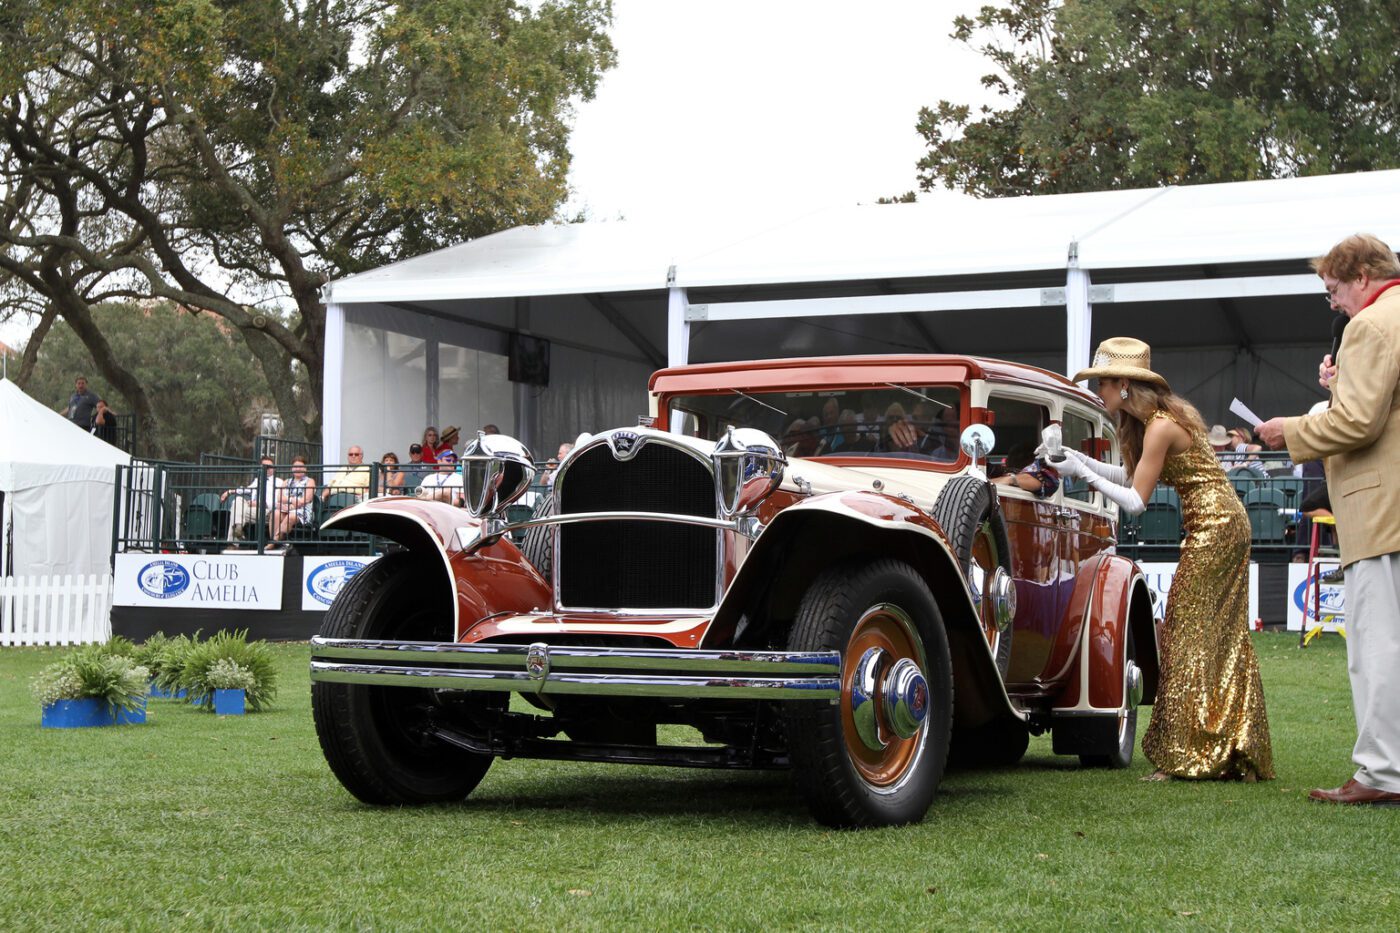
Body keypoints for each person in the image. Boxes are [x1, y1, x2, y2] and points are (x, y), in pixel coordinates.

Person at [1055, 336, 1273, 782]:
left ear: (1124, 386)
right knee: (1214, 634)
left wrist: (1083, 474)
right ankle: (1233, 749)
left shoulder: (1158, 425)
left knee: (1187, 631)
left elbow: (1134, 500)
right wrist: (1078, 460)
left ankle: (1190, 755)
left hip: (1217, 528)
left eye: (1103, 384)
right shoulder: (1148, 424)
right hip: (1221, 525)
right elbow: (1133, 477)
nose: (1100, 393)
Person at [1257, 233, 1400, 806]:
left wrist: (1288, 431)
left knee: (1377, 646)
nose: (1334, 302)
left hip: (1382, 508)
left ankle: (1383, 773)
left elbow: (1361, 424)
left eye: (1334, 290)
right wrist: (1340, 386)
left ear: (1361, 276)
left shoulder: (1371, 325)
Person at [220, 456, 279, 542]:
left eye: (270, 467)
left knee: (236, 513)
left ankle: (232, 544)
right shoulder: (257, 480)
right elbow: (246, 490)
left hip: (266, 511)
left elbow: (277, 502)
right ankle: (238, 527)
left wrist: (260, 503)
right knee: (237, 501)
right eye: (264, 466)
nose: (267, 469)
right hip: (251, 510)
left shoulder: (278, 482)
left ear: (273, 469)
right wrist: (229, 492)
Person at [270, 455, 315, 548]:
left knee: (291, 516)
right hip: (286, 508)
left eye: (300, 466)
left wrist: (290, 503)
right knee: (275, 514)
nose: (298, 469)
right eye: (295, 466)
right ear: (292, 468)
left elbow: (305, 500)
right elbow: (279, 498)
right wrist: (292, 500)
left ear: (305, 469)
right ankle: (277, 542)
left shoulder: (310, 481)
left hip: (303, 511)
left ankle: (274, 541)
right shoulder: (286, 481)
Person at [991, 442, 1060, 498]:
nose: (1018, 458)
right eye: (1014, 456)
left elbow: (1049, 483)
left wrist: (1012, 479)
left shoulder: (1042, 477)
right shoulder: (995, 471)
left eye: (1023, 457)